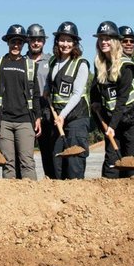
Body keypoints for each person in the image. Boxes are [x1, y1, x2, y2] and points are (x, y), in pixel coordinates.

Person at [92, 21, 134, 178]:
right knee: (112, 165)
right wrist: (95, 103)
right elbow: (94, 89)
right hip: (113, 120)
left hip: (133, 119)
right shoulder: (99, 63)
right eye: (101, 38)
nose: (104, 42)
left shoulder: (126, 65)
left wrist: (112, 126)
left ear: (116, 41)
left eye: (108, 38)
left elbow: (122, 100)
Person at [0, 24, 40, 180]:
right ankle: (11, 202)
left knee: (27, 162)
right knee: (8, 164)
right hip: (4, 121)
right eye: (13, 41)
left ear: (23, 44)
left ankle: (31, 199)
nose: (16, 45)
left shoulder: (30, 66)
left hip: (25, 121)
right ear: (8, 42)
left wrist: (37, 117)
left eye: (19, 42)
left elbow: (36, 95)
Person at [45, 22, 91, 180]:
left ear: (75, 43)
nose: (65, 44)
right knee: (57, 161)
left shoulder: (81, 64)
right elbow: (52, 84)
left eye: (69, 41)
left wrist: (62, 116)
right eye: (62, 40)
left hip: (76, 118)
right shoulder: (53, 61)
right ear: (57, 41)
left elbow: (77, 94)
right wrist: (46, 90)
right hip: (58, 117)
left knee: (74, 163)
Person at [25, 23, 55, 179]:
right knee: (25, 153)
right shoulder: (21, 62)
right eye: (33, 39)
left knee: (48, 152)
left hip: (46, 111)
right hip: (26, 111)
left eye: (39, 39)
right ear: (28, 41)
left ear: (44, 41)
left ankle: (50, 181)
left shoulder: (50, 61)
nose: (36, 43)